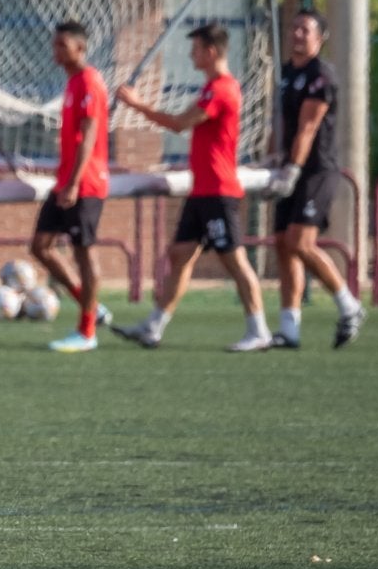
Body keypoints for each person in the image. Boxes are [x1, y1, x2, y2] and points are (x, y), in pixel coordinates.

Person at [110, 24, 271, 351]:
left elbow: (180, 124)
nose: (190, 55)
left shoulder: (221, 89)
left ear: (210, 52)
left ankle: (259, 330)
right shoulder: (211, 87)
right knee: (180, 254)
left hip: (218, 192)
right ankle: (153, 327)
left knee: (234, 260)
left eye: (195, 49)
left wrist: (137, 105)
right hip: (202, 192)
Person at [264, 9, 366, 349]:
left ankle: (349, 306)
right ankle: (289, 329)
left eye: (304, 29)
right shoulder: (286, 73)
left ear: (319, 38)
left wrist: (293, 169)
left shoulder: (321, 75)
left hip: (315, 170)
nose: (296, 33)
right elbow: (280, 123)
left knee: (300, 242)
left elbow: (308, 128)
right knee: (283, 243)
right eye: (294, 27)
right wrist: (271, 159)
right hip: (289, 166)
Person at [29, 20, 110, 353]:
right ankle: (90, 304)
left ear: (80, 47)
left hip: (84, 183)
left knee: (84, 253)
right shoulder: (73, 82)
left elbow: (89, 135)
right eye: (55, 44)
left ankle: (87, 331)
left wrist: (74, 182)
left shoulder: (89, 80)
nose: (56, 51)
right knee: (40, 246)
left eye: (62, 45)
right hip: (66, 181)